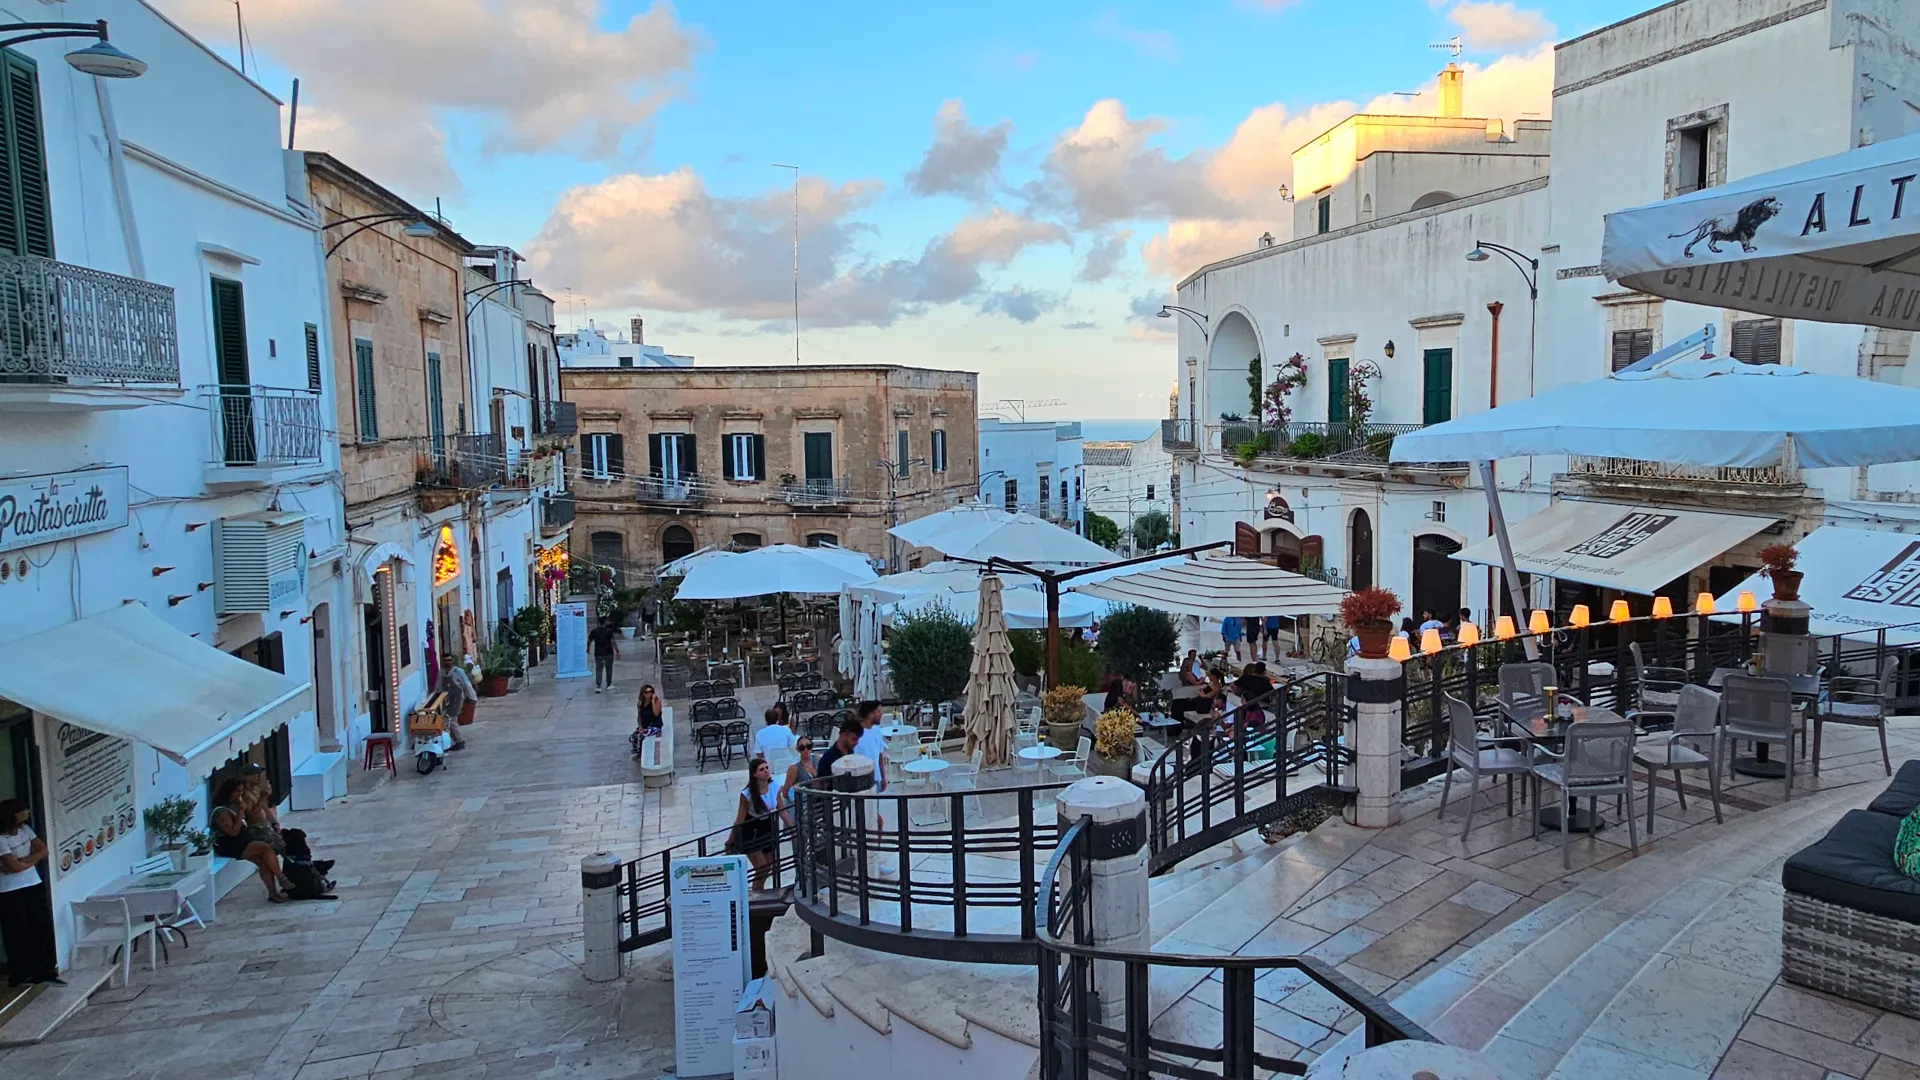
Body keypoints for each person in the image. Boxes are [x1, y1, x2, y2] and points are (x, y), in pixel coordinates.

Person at [0, 798, 59, 987]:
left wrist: (26, 860)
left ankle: (44, 969)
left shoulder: (26, 830)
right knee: (18, 932)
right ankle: (21, 973)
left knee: (40, 926)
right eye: (23, 810)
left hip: (33, 883)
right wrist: (28, 861)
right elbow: (13, 866)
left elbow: (43, 850)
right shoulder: (2, 839)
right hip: (10, 891)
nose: (27, 813)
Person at [211, 778, 288, 903]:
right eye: (238, 791)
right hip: (229, 844)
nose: (240, 795)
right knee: (265, 848)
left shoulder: (233, 805)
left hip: (239, 840)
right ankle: (281, 877)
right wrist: (241, 812)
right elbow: (233, 832)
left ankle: (273, 893)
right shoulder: (221, 812)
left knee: (263, 862)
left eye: (242, 791)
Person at [729, 758, 780, 892]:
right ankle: (756, 892)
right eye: (761, 769)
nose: (766, 771)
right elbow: (739, 819)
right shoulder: (747, 794)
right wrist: (731, 840)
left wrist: (791, 825)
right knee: (761, 866)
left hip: (768, 828)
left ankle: (758, 890)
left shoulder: (774, 786)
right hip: (751, 831)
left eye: (767, 768)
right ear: (754, 774)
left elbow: (782, 809)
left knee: (768, 866)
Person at [778, 737, 818, 825]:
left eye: (808, 746)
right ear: (798, 750)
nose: (806, 750)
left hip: (816, 805)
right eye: (802, 748)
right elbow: (785, 793)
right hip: (801, 807)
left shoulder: (817, 760)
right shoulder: (794, 768)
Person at [438, 655, 474, 751]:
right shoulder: (441, 673)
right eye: (445, 660)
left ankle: (459, 741)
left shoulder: (457, 671)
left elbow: (466, 685)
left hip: (458, 699)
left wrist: (470, 697)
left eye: (449, 660)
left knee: (451, 719)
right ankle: (455, 740)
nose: (447, 662)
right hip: (448, 700)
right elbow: (438, 688)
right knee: (449, 720)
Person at [853, 700, 888, 791]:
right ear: (870, 714)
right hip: (861, 779)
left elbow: (880, 755)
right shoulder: (856, 733)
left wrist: (883, 777)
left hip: (876, 778)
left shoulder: (877, 730)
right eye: (878, 711)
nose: (881, 714)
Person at [588, 616, 620, 693]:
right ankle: (609, 684)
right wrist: (617, 651)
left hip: (598, 653)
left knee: (599, 669)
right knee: (609, 669)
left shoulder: (594, 631)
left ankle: (598, 686)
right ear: (605, 622)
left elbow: (589, 641)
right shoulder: (609, 631)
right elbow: (613, 642)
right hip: (608, 652)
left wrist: (588, 648)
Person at [631, 685, 664, 758]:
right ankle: (638, 751)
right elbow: (639, 716)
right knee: (633, 737)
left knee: (642, 736)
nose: (649, 694)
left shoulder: (657, 701)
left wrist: (652, 702)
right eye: (647, 692)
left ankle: (641, 753)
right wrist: (640, 726)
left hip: (655, 726)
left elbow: (656, 713)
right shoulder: (640, 703)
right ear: (643, 693)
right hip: (645, 725)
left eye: (651, 692)